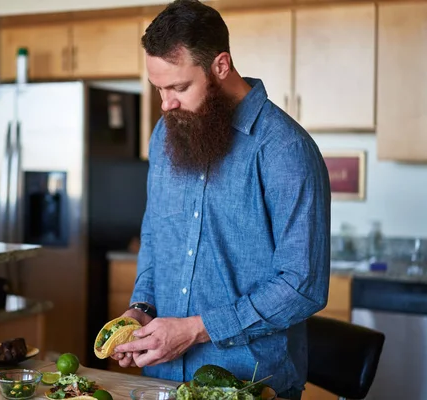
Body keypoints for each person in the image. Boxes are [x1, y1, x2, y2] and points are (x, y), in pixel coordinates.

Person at [112, 1, 331, 398]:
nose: (166, 104)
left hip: (249, 384)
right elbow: (157, 236)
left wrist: (195, 329)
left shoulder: (285, 149)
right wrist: (141, 308)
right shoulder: (165, 136)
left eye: (179, 87)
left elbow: (303, 286)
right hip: (160, 379)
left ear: (221, 66)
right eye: (158, 88)